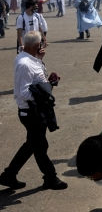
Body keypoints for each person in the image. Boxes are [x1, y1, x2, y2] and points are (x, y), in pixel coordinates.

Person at [0, 31, 67, 190]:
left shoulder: (30, 59)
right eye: (41, 42)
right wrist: (46, 91)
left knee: (35, 145)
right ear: (37, 45)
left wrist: (40, 61)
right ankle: (50, 177)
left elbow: (36, 78)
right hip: (31, 113)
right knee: (38, 145)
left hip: (36, 111)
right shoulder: (24, 63)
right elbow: (22, 92)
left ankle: (9, 175)